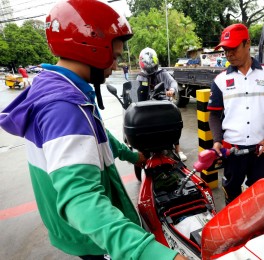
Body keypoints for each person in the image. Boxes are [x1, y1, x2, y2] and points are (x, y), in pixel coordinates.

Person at [0, 1, 187, 260]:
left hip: (77, 229)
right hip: (92, 236)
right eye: (117, 55)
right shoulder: (64, 108)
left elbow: (97, 135)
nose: (115, 65)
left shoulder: (56, 87)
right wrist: (150, 252)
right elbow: (81, 199)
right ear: (93, 47)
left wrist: (132, 156)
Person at [207, 23, 264, 204]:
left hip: (260, 149)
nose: (229, 54)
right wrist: (217, 140)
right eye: (225, 50)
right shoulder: (220, 80)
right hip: (232, 150)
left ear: (247, 43)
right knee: (232, 194)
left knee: (259, 197)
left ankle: (256, 230)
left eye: (233, 49)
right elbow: (213, 115)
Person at [136, 47, 187, 161]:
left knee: (174, 120)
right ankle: (140, 150)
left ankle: (178, 149)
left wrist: (172, 90)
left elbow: (172, 82)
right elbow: (138, 92)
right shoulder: (141, 76)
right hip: (147, 106)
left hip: (163, 104)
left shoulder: (162, 73)